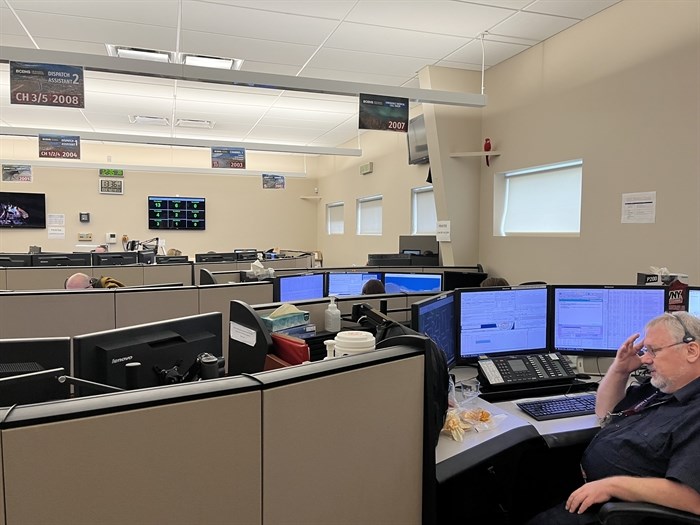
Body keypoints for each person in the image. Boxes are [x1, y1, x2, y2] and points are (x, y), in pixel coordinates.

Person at [526, 311, 700, 524]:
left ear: (691, 351)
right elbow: (605, 413)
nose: (645, 359)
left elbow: (693, 498)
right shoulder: (664, 387)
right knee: (528, 467)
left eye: (654, 351)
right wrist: (620, 370)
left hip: (623, 512)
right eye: (646, 350)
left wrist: (611, 485)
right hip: (595, 491)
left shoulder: (695, 412)